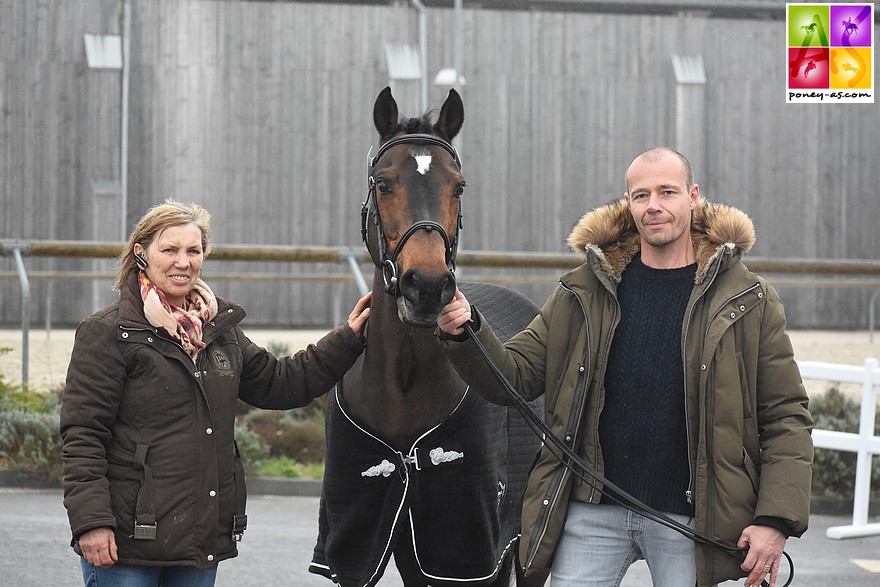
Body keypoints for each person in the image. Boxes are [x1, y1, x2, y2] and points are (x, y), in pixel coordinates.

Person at [436, 147, 813, 587]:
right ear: (628, 202)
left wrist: (776, 519)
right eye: (641, 195)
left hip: (692, 523)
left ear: (693, 197)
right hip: (591, 513)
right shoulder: (585, 289)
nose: (653, 206)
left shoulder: (748, 299)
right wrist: (466, 331)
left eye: (666, 192)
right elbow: (514, 375)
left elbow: (786, 417)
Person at [60, 199, 371, 587]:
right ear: (141, 254)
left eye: (193, 250)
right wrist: (91, 524)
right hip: (126, 543)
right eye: (169, 249)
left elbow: (283, 382)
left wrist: (350, 337)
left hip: (199, 539)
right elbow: (83, 436)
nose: (183, 261)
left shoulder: (218, 331)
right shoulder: (108, 332)